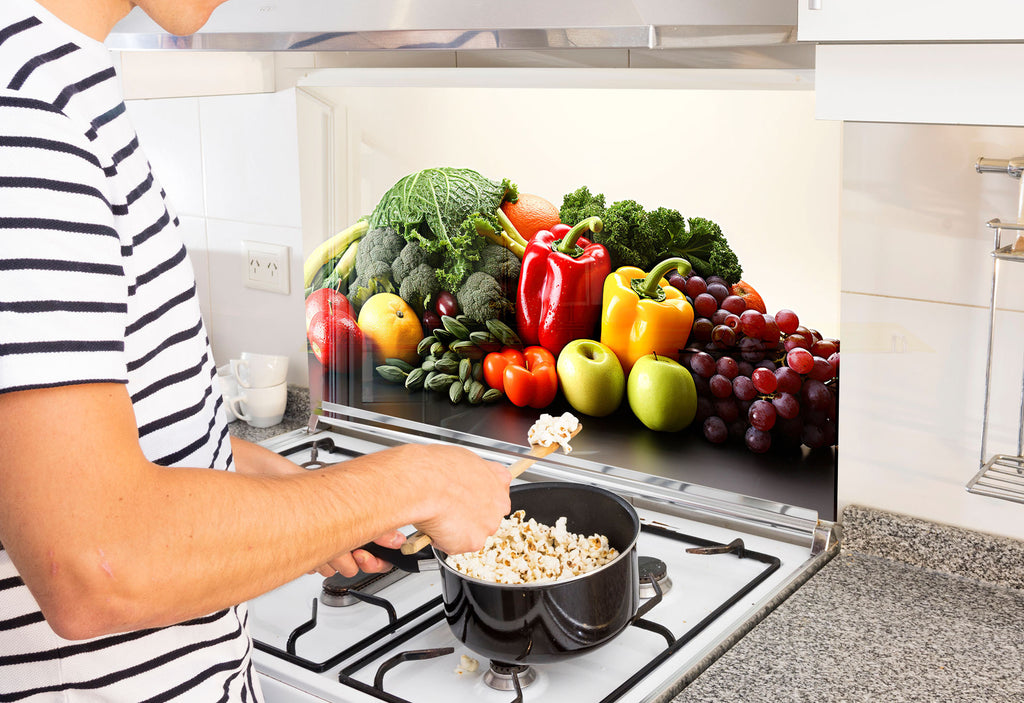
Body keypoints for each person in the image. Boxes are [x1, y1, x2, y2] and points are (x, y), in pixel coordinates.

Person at [0, 0, 512, 699]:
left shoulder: (56, 81)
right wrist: (416, 480)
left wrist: (301, 500)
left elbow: (98, 449)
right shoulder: (25, 116)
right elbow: (93, 562)